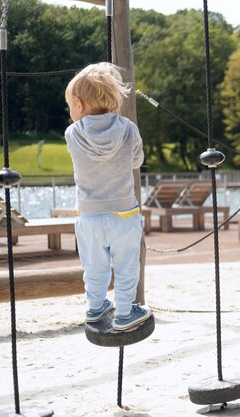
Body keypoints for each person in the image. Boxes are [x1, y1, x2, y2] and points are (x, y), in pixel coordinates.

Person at [65, 62, 151, 331]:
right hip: (124, 214)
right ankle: (125, 313)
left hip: (89, 216)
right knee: (127, 266)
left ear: (78, 104)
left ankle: (95, 306)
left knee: (94, 266)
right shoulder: (128, 129)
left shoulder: (72, 133)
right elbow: (137, 161)